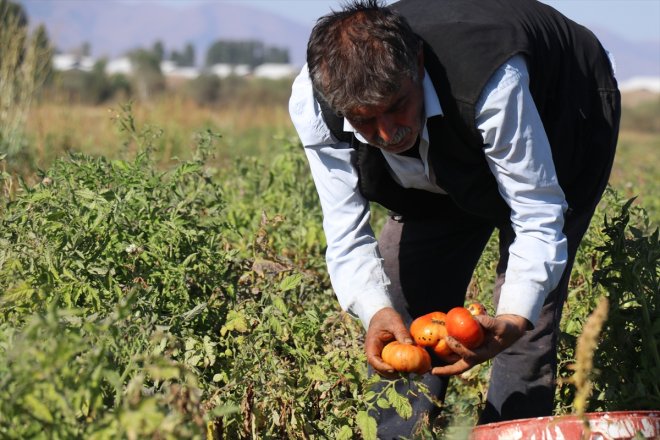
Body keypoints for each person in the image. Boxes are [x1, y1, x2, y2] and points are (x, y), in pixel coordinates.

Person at [289, 0, 620, 436]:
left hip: (564, 114)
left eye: (396, 106)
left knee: (523, 323)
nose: (387, 134)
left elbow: (538, 215)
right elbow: (345, 231)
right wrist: (374, 310)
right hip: (451, 141)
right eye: (364, 120)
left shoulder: (491, 82)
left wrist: (514, 319)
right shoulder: (317, 104)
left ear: (417, 65)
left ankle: (510, 429)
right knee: (401, 305)